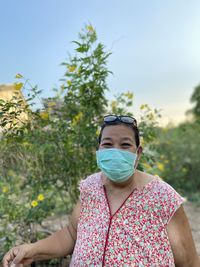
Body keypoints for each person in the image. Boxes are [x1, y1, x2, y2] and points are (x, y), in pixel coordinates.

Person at [2, 115, 200, 267]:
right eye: (107, 144)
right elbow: (71, 234)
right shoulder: (89, 188)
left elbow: (189, 263)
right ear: (98, 151)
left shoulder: (162, 197)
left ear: (137, 153)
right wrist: (31, 250)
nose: (115, 151)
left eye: (125, 145)